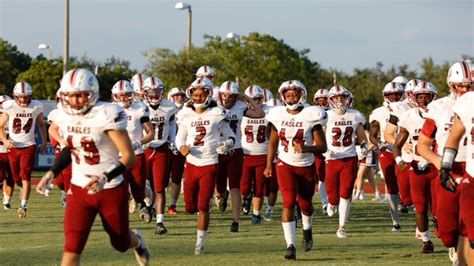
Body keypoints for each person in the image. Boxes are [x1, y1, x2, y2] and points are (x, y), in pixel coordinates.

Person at [35, 68, 150, 266]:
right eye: (71, 96)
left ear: (92, 94)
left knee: (120, 243)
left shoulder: (106, 114)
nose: (75, 101)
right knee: (72, 247)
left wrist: (105, 177)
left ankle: (137, 240)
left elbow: (129, 156)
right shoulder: (64, 115)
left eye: (80, 95)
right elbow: (70, 148)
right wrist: (51, 173)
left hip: (110, 189)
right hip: (79, 189)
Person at [264, 80, 327, 260]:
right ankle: (290, 245)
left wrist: (306, 148)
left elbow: (322, 146)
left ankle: (307, 230)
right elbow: (273, 142)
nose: (291, 97)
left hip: (305, 165)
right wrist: (269, 164)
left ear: (302, 95)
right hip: (284, 163)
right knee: (289, 202)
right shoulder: (277, 114)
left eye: (294, 94)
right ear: (283, 96)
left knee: (305, 204)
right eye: (288, 94)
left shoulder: (311, 115)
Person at [417, 60, 472, 264]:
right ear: (451, 84)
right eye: (460, 85)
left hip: (471, 170)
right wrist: (438, 161)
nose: (465, 89)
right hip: (449, 171)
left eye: (469, 85)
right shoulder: (440, 108)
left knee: (469, 226)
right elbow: (422, 145)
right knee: (448, 232)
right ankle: (455, 248)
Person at [175, 77, 235, 255]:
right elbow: (180, 137)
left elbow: (231, 135)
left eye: (202, 95)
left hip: (209, 163)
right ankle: (206, 201)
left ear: (208, 94)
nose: (199, 98)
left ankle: (199, 244)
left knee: (202, 205)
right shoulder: (185, 114)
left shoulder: (217, 113)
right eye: (196, 94)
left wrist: (228, 144)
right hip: (191, 163)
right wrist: (181, 147)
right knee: (189, 208)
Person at [392, 81, 438, 253]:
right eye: (420, 96)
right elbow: (397, 144)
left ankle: (442, 230)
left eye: (427, 96)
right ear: (414, 97)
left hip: (436, 165)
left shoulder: (440, 113)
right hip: (417, 166)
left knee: (438, 209)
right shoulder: (408, 116)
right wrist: (399, 161)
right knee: (419, 206)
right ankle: (426, 240)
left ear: (434, 97)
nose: (423, 100)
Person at [215, 80, 265, 232]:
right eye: (225, 95)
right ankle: (222, 195)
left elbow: (259, 113)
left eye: (231, 96)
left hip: (235, 150)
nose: (228, 99)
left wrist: (247, 99)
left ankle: (235, 220)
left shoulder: (240, 106)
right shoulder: (212, 107)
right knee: (220, 186)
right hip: (217, 151)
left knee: (235, 186)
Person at [323, 85, 370, 238]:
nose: (339, 100)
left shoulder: (354, 115)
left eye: (342, 97)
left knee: (346, 193)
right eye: (336, 98)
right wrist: (324, 150)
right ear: (331, 100)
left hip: (349, 158)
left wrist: (363, 147)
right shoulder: (325, 116)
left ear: (347, 98)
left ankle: (341, 227)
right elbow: (318, 136)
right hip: (331, 158)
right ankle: (331, 203)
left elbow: (362, 137)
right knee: (332, 195)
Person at [0, 81, 47, 218]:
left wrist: (44, 142)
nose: (23, 100)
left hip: (29, 146)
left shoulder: (36, 106)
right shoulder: (9, 107)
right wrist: (5, 140)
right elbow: (0, 126)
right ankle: (21, 192)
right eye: (20, 97)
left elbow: (41, 125)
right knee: (15, 178)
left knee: (25, 176)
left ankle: (23, 205)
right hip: (14, 147)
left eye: (25, 97)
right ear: (15, 96)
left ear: (30, 95)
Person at [111, 80, 154, 222]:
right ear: (115, 96)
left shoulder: (139, 109)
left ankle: (143, 202)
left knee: (137, 189)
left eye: (126, 95)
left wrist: (138, 142)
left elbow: (150, 133)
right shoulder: (109, 111)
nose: (123, 98)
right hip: (118, 156)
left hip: (136, 154)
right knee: (119, 188)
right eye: (120, 95)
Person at [439, 90, 474, 265]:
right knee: (467, 231)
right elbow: (454, 136)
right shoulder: (467, 102)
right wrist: (445, 166)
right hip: (472, 177)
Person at [142, 76, 178, 234]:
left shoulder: (169, 106)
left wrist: (172, 140)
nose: (155, 94)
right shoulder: (139, 107)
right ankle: (146, 205)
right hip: (144, 149)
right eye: (151, 91)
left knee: (159, 188)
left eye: (157, 91)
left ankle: (160, 222)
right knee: (142, 183)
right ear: (144, 92)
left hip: (161, 149)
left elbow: (171, 124)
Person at [369, 81, 406, 230]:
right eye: (390, 94)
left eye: (397, 94)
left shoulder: (407, 109)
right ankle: (395, 222)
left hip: (406, 151)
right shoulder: (378, 112)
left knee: (406, 184)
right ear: (385, 96)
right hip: (388, 150)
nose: (394, 97)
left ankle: (405, 201)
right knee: (391, 186)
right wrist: (378, 144)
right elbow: (373, 134)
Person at [239, 85, 270, 223]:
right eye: (251, 99)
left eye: (257, 99)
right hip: (246, 154)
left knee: (260, 187)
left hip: (263, 154)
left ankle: (256, 214)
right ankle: (247, 197)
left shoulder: (269, 112)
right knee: (244, 188)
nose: (254, 102)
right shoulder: (241, 112)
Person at [166, 87, 187, 214]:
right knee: (161, 179)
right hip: (165, 146)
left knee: (177, 177)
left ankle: (172, 204)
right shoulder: (164, 110)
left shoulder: (188, 110)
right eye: (176, 96)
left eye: (181, 95)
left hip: (181, 148)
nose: (179, 98)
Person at [312, 88, 330, 214]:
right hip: (318, 148)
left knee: (331, 177)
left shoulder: (334, 112)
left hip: (332, 149)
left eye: (325, 100)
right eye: (320, 100)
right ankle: (325, 203)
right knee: (321, 177)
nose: (322, 102)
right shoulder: (312, 113)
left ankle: (331, 201)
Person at [0, 95, 13, 210]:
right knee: (1, 175)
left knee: (11, 178)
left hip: (11, 151)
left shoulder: (14, 116)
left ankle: (6, 200)